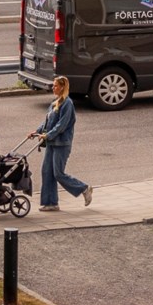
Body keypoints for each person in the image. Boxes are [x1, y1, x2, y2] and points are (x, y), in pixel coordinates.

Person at [29, 75, 92, 210]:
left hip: (62, 144)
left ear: (62, 87)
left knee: (58, 174)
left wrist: (47, 136)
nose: (53, 88)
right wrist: (36, 132)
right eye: (53, 85)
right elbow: (48, 122)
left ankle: (84, 189)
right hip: (52, 143)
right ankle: (50, 203)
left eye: (55, 86)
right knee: (47, 171)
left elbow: (61, 125)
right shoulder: (55, 102)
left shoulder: (67, 104)